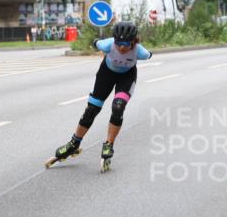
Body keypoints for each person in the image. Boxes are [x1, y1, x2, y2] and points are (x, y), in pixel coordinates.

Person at [48, 21, 152, 171]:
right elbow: (96, 42)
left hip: (127, 77)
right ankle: (74, 143)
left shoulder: (140, 52)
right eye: (119, 43)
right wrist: (95, 41)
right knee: (92, 109)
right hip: (106, 74)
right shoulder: (107, 45)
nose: (122, 47)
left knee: (118, 107)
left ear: (134, 42)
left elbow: (149, 55)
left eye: (126, 44)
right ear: (114, 40)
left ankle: (108, 145)